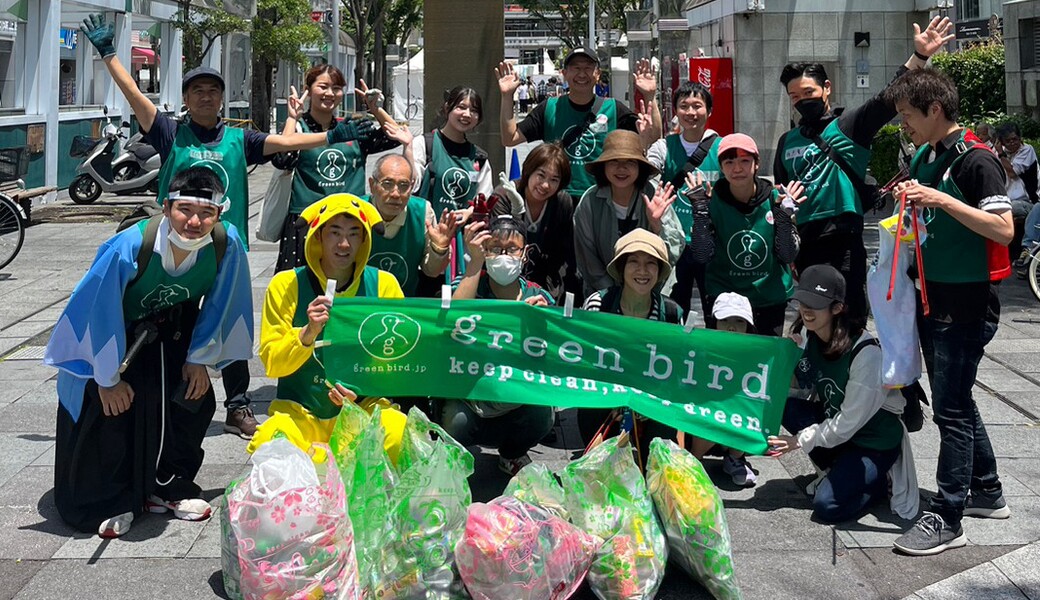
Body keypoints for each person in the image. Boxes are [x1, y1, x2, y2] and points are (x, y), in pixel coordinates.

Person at [79, 13, 375, 439]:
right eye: (197, 90)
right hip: (175, 255)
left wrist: (333, 136)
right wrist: (109, 54)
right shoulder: (169, 133)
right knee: (176, 324)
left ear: (221, 99)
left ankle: (238, 405)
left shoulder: (240, 139)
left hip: (222, 253)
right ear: (187, 98)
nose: (206, 97)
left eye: (213, 91)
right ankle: (167, 390)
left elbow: (284, 142)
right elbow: (134, 96)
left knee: (233, 324)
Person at [44, 166, 254, 538]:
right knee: (112, 412)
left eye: (206, 212)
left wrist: (199, 359)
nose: (195, 222)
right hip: (116, 333)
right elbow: (97, 310)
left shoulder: (226, 242)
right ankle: (109, 500)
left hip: (175, 327)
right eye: (184, 209)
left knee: (190, 401)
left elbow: (223, 302)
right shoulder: (129, 246)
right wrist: (107, 378)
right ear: (166, 206)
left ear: (220, 214)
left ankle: (168, 486)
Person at [885, 68, 1014, 556]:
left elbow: (1003, 229)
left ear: (935, 110)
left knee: (951, 409)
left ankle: (948, 514)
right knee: (954, 398)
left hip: (966, 301)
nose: (904, 125)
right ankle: (988, 489)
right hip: (931, 294)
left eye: (908, 115)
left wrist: (940, 199)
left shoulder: (977, 160)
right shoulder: (926, 154)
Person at [772, 17, 953, 320]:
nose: (802, 101)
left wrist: (920, 56)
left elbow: (886, 99)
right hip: (805, 243)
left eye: (808, 92)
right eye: (794, 97)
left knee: (848, 316)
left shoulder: (848, 126)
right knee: (813, 318)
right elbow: (780, 193)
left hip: (843, 238)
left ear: (826, 88)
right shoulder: (786, 141)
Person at [767, 266, 918, 524]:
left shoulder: (866, 353)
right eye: (802, 302)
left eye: (815, 304)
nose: (806, 310)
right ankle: (839, 470)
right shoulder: (807, 334)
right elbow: (799, 389)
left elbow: (847, 423)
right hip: (838, 427)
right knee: (788, 407)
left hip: (873, 440)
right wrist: (789, 359)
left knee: (826, 506)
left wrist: (797, 440)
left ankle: (878, 484)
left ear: (837, 308)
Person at [259, 194, 405, 447]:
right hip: (300, 411)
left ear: (364, 240)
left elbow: (399, 363)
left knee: (397, 432)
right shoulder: (286, 284)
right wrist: (306, 334)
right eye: (335, 233)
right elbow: (273, 364)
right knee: (270, 441)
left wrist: (361, 389)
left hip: (364, 409)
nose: (344, 244)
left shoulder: (384, 285)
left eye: (354, 234)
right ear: (318, 236)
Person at [272, 66, 413, 272]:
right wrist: (292, 118)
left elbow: (397, 136)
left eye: (336, 88)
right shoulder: (298, 128)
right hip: (307, 222)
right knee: (301, 286)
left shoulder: (352, 127)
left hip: (350, 222)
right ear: (308, 90)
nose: (330, 93)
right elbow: (282, 159)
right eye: (323, 87)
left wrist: (376, 109)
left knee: (350, 283)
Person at [447, 216, 556, 475]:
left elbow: (556, 353)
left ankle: (512, 454)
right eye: (495, 248)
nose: (504, 256)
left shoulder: (538, 296)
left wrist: (544, 322)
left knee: (543, 414)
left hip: (517, 398)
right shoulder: (468, 284)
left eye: (512, 249)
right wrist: (475, 263)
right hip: (470, 396)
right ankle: (454, 459)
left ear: (525, 253)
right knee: (455, 421)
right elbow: (452, 319)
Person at [497, 49, 663, 198]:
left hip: (600, 197)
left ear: (597, 74)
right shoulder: (549, 108)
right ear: (564, 73)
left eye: (588, 68)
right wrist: (506, 97)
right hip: (557, 197)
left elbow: (653, 136)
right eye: (576, 68)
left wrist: (650, 95)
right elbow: (510, 138)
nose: (582, 74)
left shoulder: (613, 108)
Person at [579, 228, 683, 464]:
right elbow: (584, 363)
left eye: (651, 263)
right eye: (634, 262)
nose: (642, 271)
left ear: (659, 271)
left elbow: (677, 373)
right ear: (621, 268)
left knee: (657, 463)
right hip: (604, 401)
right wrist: (613, 399)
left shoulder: (671, 313)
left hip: (653, 404)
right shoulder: (598, 304)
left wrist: (645, 403)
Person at [687, 133, 800, 336]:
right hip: (726, 299)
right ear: (721, 167)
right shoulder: (712, 201)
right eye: (729, 162)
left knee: (765, 353)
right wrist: (701, 212)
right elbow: (702, 255)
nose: (737, 169)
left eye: (745, 161)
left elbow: (787, 255)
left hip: (769, 297)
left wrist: (784, 218)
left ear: (757, 164)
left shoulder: (777, 200)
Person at [574, 130, 684, 298]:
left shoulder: (655, 195)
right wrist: (613, 295)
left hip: (652, 292)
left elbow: (674, 251)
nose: (621, 168)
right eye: (614, 161)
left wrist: (656, 225)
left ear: (640, 167)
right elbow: (587, 257)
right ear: (603, 166)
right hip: (603, 296)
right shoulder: (590, 201)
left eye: (630, 162)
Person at [647, 82, 722, 319]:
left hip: (712, 242)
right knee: (673, 309)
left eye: (697, 106)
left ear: (709, 110)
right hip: (674, 243)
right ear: (676, 111)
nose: (690, 112)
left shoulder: (723, 149)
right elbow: (646, 174)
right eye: (684, 106)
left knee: (715, 310)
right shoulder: (663, 147)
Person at [490, 142, 580, 302]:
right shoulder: (505, 196)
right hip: (507, 277)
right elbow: (502, 243)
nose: (545, 185)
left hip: (547, 283)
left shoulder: (562, 203)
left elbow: (564, 255)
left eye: (554, 179)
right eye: (541, 175)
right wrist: (517, 213)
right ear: (528, 171)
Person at [362, 154, 457, 295]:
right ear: (372, 185)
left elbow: (432, 271)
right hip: (359, 302)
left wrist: (439, 249)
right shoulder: (356, 210)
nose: (395, 194)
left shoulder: (422, 212)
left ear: (411, 187)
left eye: (403, 186)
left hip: (404, 302)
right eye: (387, 184)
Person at [411, 86, 494, 217]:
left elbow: (485, 198)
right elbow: (411, 185)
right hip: (425, 226)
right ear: (447, 107)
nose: (467, 114)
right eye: (461, 107)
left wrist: (470, 212)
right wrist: (407, 148)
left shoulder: (480, 158)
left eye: (474, 110)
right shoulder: (423, 144)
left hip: (463, 230)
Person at [994, 123, 1039, 263]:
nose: (1012, 143)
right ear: (1001, 142)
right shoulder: (997, 153)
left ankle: (1027, 251)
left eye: (1015, 139)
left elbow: (1012, 172)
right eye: (1008, 141)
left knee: (1009, 208)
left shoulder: (1027, 150)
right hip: (1005, 199)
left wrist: (1001, 154)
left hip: (1028, 203)